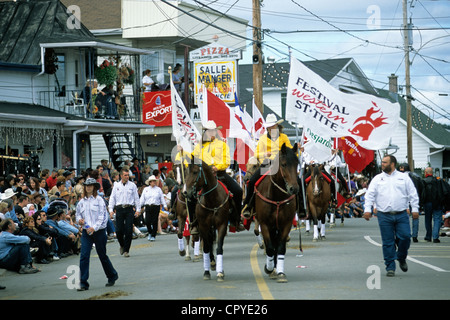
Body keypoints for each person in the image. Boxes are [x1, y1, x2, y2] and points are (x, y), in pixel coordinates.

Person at [363, 155, 419, 277]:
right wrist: (368, 210)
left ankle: (401, 257)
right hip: (384, 215)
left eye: (385, 162)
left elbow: (413, 194)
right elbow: (369, 195)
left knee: (405, 237)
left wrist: (415, 209)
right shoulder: (377, 179)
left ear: (392, 164)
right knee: (388, 242)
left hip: (401, 214)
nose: (382, 164)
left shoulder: (404, 178)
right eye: (382, 162)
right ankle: (390, 266)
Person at [193, 120, 243, 233]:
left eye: (213, 130)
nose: (211, 132)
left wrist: (217, 167)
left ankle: (236, 220)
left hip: (220, 174)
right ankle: (194, 222)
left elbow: (226, 161)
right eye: (209, 130)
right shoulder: (199, 146)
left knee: (238, 191)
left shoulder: (222, 145)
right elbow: (194, 160)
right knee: (189, 193)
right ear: (205, 132)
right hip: (204, 176)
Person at [242, 114, 293, 219]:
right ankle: (248, 205)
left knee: (296, 180)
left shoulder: (284, 137)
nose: (271, 128)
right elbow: (256, 154)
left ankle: (300, 206)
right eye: (269, 126)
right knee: (252, 182)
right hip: (267, 164)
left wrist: (290, 154)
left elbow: (290, 151)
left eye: (273, 126)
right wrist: (265, 154)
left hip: (281, 164)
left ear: (277, 126)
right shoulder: (263, 139)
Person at [75, 178, 118, 291]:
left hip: (98, 232)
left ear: (94, 187)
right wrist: (79, 220)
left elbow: (103, 217)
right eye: (86, 185)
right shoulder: (81, 202)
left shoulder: (99, 200)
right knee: (84, 256)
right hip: (86, 232)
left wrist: (95, 227)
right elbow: (77, 215)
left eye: (90, 185)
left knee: (102, 255)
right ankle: (83, 282)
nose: (88, 187)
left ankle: (112, 275)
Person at [108, 168, 141, 257]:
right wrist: (110, 210)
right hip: (119, 209)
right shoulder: (116, 185)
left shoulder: (132, 186)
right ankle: (122, 245)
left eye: (128, 175)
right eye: (125, 175)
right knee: (119, 230)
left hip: (129, 208)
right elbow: (112, 198)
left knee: (129, 230)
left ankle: (126, 250)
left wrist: (138, 210)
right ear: (121, 175)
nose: (127, 177)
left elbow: (136, 198)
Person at [398, 163, 425, 242]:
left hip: (404, 199)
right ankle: (414, 235)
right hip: (414, 198)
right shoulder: (416, 176)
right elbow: (421, 188)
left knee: (404, 218)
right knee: (415, 217)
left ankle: (406, 234)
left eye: (401, 168)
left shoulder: (401, 177)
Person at [140, 175, 167, 241]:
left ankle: (153, 235)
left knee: (155, 221)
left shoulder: (158, 189)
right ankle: (150, 232)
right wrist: (139, 206)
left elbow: (162, 198)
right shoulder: (146, 189)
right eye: (153, 181)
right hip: (148, 206)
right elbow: (142, 199)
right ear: (150, 182)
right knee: (147, 221)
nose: (154, 182)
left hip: (156, 206)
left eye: (155, 181)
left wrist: (165, 205)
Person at [422, 167, 445, 243]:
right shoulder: (438, 180)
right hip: (437, 203)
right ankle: (435, 237)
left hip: (427, 203)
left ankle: (428, 236)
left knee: (427, 219)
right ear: (432, 173)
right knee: (437, 219)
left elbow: (421, 193)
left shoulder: (423, 181)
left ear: (426, 173)